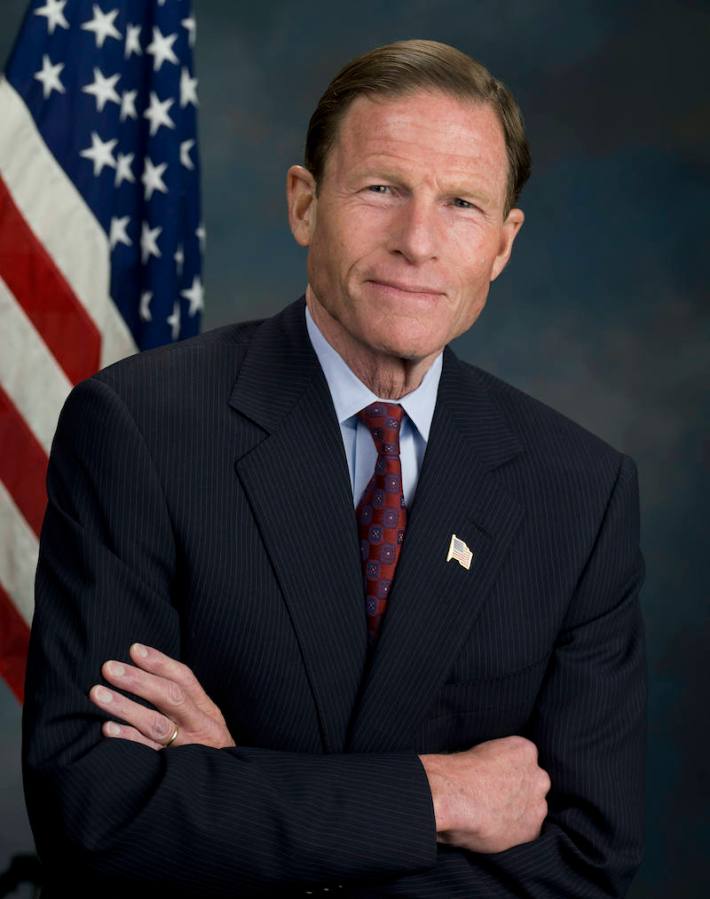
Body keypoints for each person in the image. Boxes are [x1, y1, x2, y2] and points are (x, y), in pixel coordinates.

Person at [23, 39, 647, 898]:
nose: (418, 242)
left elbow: (584, 865)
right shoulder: (140, 430)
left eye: (462, 204)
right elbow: (96, 812)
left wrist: (237, 786)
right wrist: (440, 794)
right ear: (305, 204)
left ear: (503, 245)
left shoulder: (580, 492)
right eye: (382, 188)